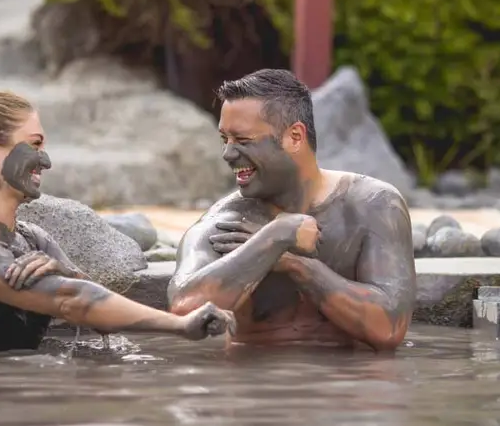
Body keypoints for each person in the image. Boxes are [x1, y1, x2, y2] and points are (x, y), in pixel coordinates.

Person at [0, 90, 235, 353]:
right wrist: (180, 325)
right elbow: (72, 299)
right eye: (35, 144)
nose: (45, 160)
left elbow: (98, 316)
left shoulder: (33, 239)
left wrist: (65, 272)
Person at [167, 69, 416, 352]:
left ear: (295, 137)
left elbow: (390, 329)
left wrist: (297, 265)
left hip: (350, 387)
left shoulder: (373, 205)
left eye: (243, 141)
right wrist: (276, 236)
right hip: (255, 386)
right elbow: (184, 311)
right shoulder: (226, 223)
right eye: (225, 139)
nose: (228, 154)